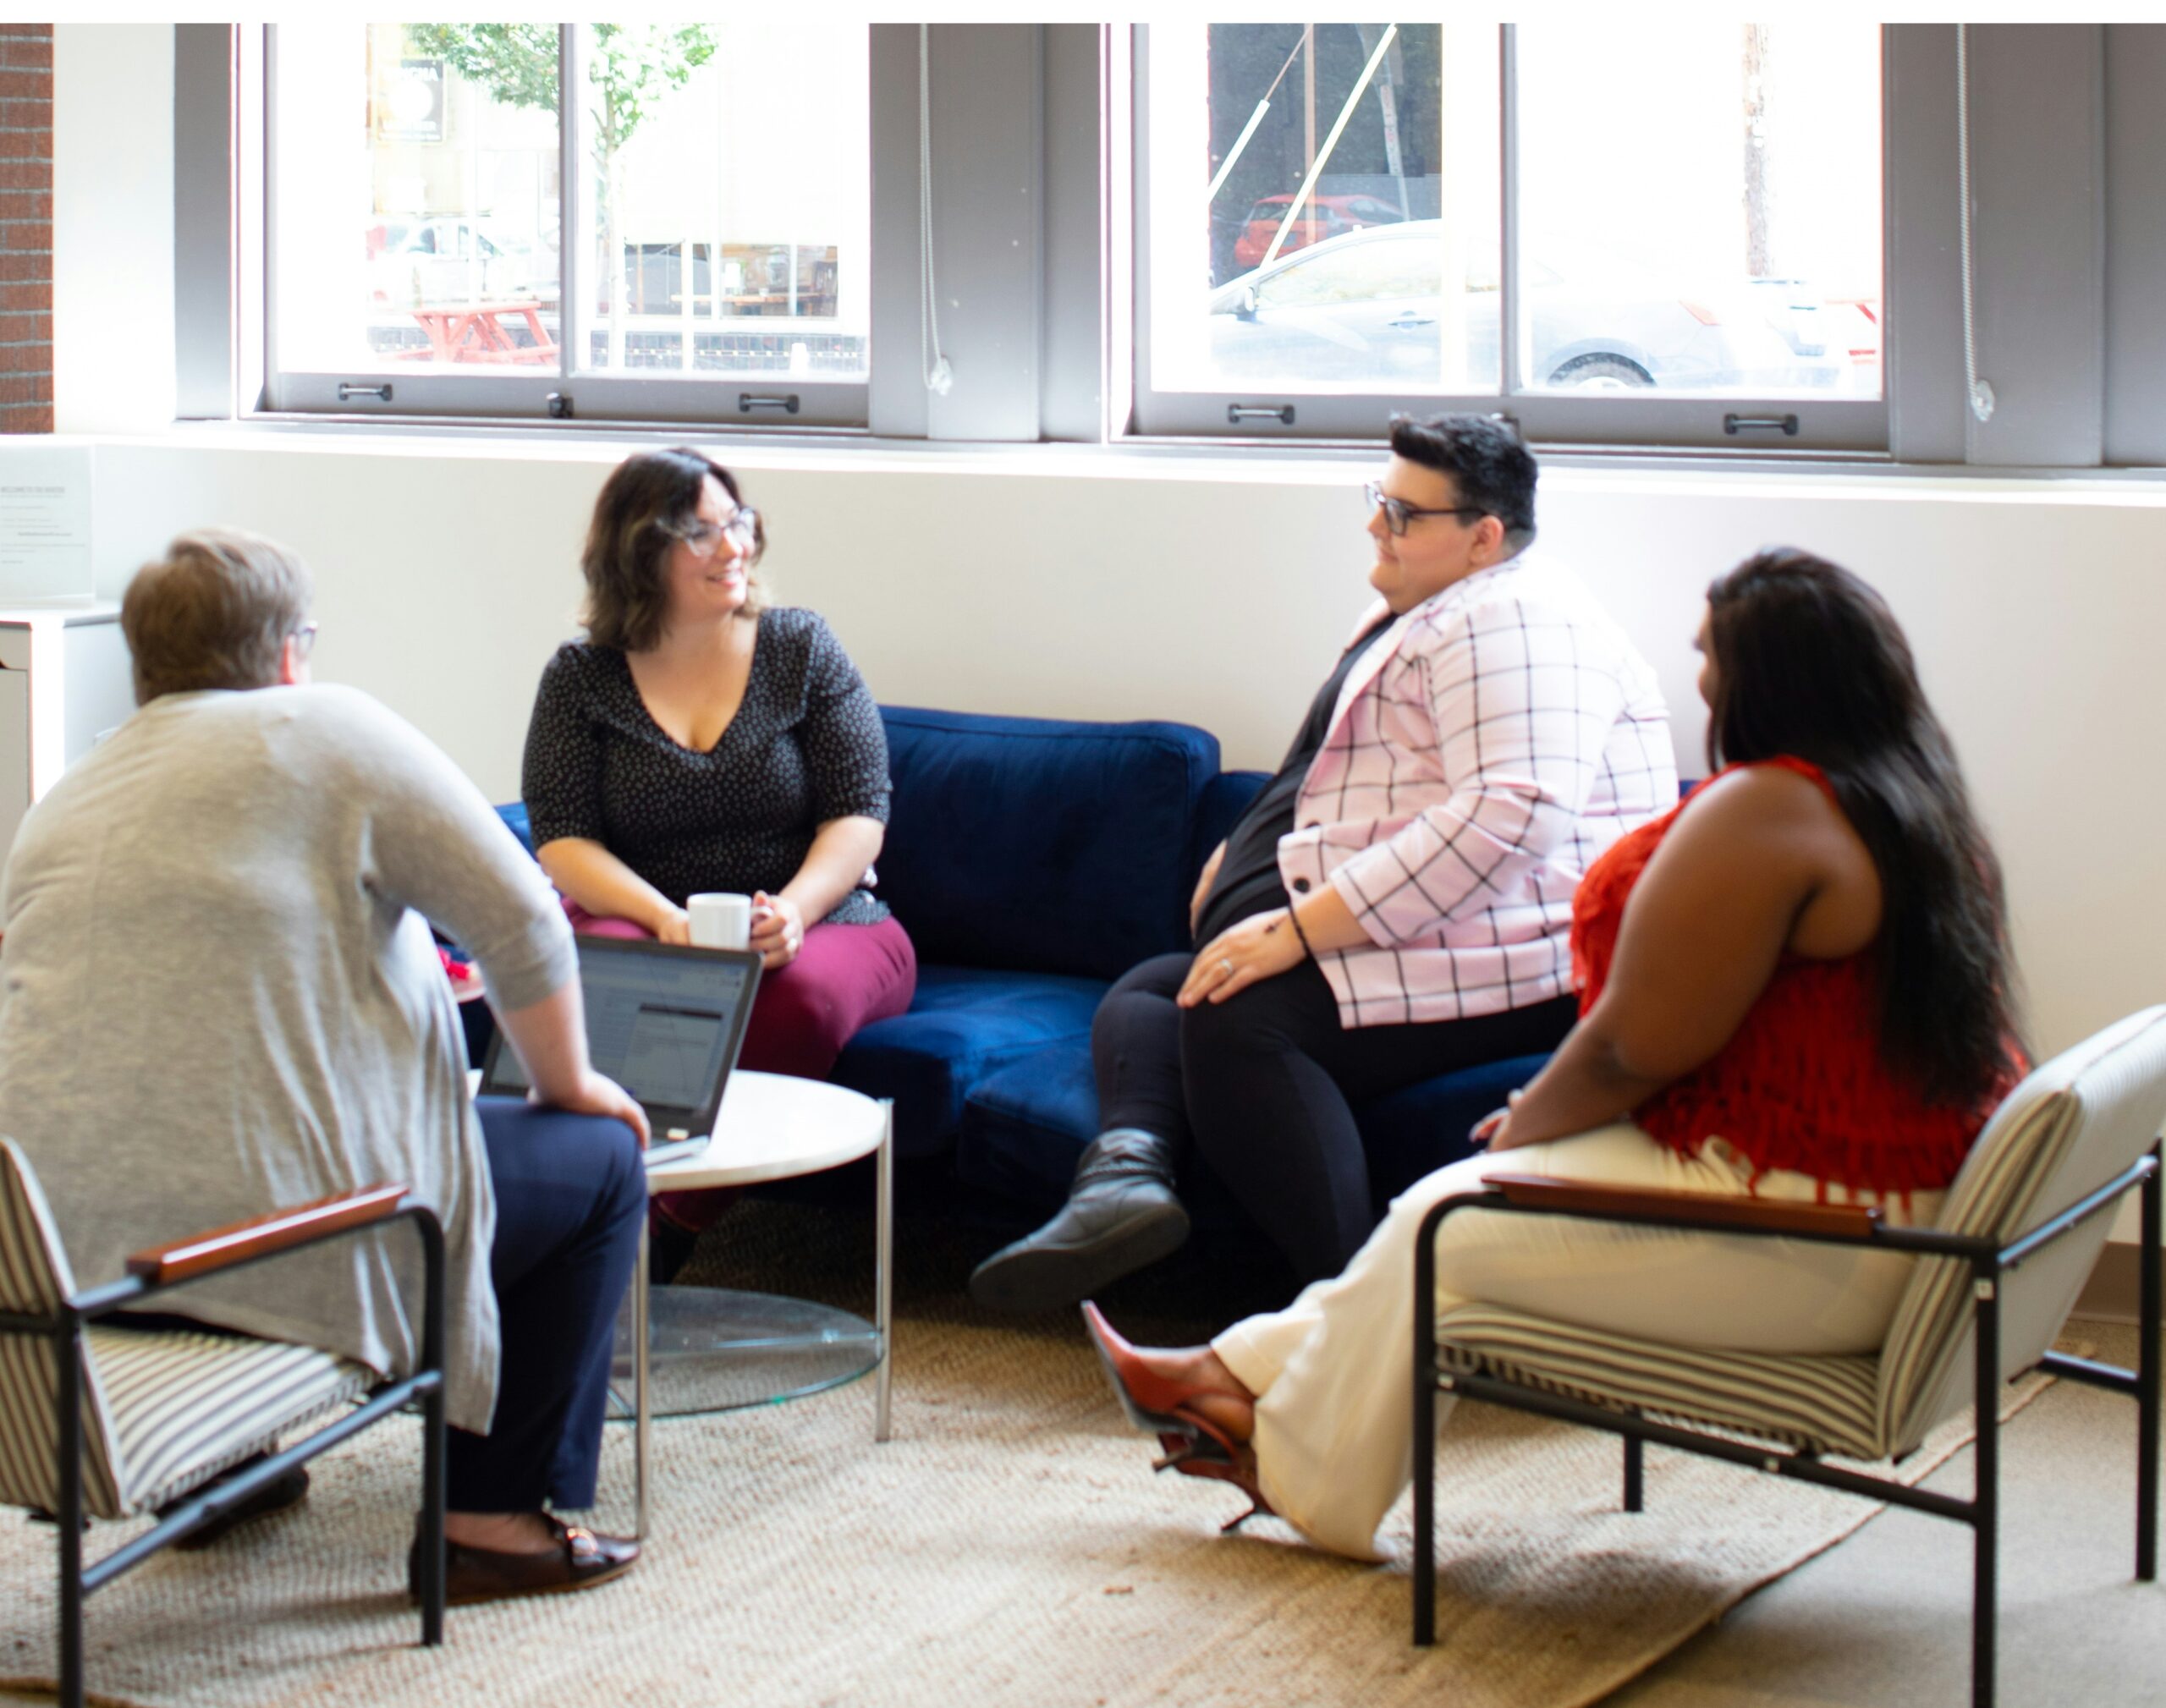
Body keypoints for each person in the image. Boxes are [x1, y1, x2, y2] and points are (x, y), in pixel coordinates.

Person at [1082, 547, 2030, 1561]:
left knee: (1448, 1222)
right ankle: (1232, 1388)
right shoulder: (1909, 798)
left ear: (1767, 676)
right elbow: (1740, 1025)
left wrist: (1527, 1130)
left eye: (1709, 654)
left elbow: (1631, 1046)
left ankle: (1279, 1449)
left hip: (1824, 1229)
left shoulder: (1771, 809)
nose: (1698, 676)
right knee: (1442, 1223)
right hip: (1872, 1191)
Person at [0, 530, 651, 1604]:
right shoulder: (330, 727)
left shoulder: (74, 790)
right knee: (596, 1163)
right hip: (269, 1255)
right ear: (290, 651)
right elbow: (524, 919)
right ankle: (487, 1519)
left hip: (74, 1264)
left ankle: (232, 1469)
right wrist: (570, 1083)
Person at [970, 413, 1676, 1312]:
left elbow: (1511, 818)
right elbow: (1358, 775)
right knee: (1157, 988)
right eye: (1377, 500)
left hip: (1524, 957)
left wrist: (1300, 927)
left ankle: (1349, 1317)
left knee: (1239, 1019)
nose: (1375, 525)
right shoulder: (1433, 606)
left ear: (1482, 536)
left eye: (1402, 512)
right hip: (1450, 933)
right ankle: (1123, 1181)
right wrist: (1245, 854)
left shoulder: (1519, 623)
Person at [520, 448, 917, 1278]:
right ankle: (571, 1202)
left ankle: (659, 1224)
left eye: (737, 522)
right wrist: (666, 921)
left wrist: (797, 912)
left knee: (794, 997)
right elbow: (560, 834)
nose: (733, 547)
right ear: (638, 551)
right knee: (616, 980)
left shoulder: (800, 647)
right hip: (642, 913)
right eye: (701, 533)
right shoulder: (580, 676)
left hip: (825, 916)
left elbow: (859, 811)